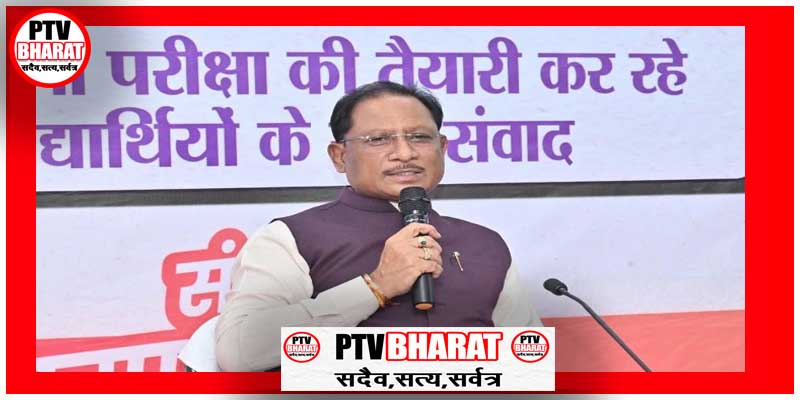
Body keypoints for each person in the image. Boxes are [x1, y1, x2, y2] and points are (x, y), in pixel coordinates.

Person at [215, 81, 541, 371]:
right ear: (339, 156)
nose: (405, 153)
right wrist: (375, 286)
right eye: (379, 139)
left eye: (419, 137)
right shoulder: (291, 238)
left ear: (442, 148)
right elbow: (240, 352)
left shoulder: (484, 244)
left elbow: (529, 365)